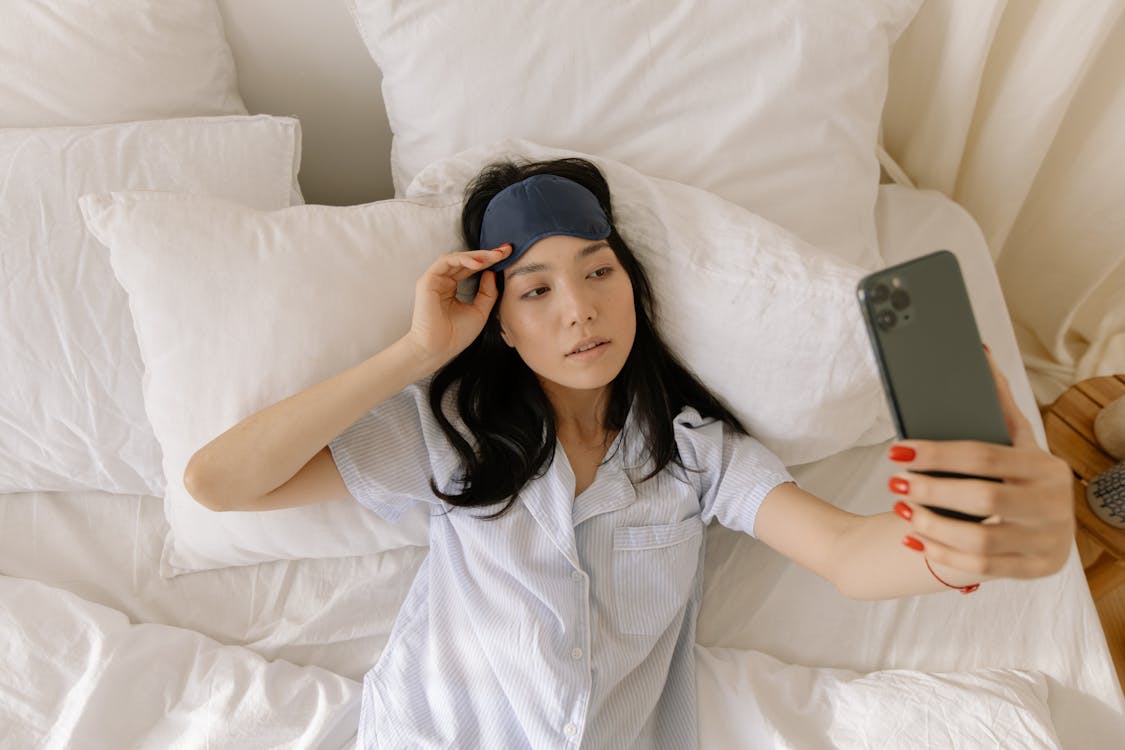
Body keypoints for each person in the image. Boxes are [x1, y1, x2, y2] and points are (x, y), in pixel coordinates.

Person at [183, 157, 1075, 749]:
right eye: (536, 289)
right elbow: (217, 484)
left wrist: (954, 544)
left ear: (634, 291)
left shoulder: (694, 457)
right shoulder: (448, 442)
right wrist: (418, 353)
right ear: (498, 324)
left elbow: (844, 553)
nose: (578, 308)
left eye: (599, 270)